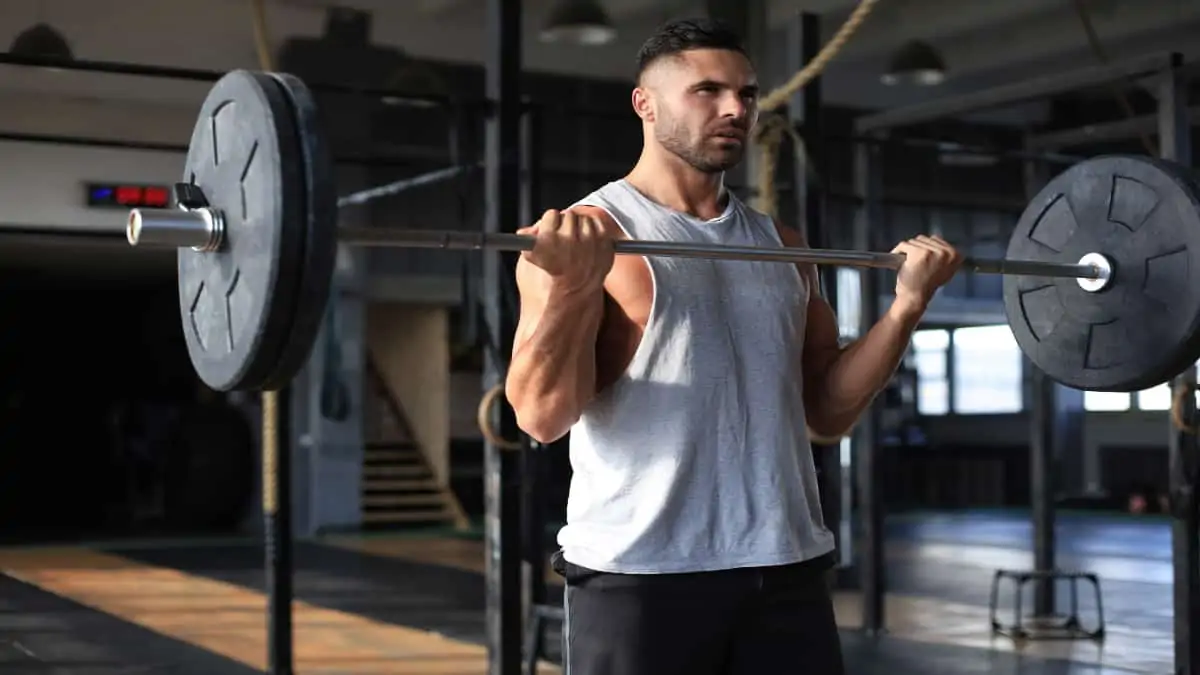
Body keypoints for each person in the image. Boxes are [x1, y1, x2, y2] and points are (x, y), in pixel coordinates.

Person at [505, 17, 963, 675]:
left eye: (747, 94)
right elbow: (540, 416)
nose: (735, 110)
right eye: (708, 90)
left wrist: (907, 306)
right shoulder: (591, 234)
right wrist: (573, 285)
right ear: (646, 103)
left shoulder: (786, 244)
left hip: (785, 563)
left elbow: (826, 414)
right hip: (642, 572)